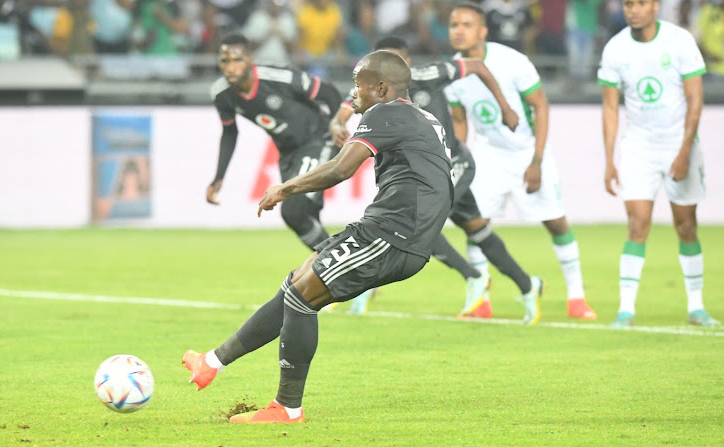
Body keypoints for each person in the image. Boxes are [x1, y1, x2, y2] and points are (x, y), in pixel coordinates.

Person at [184, 49, 461, 423]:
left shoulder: (386, 111)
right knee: (298, 281)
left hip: (394, 233)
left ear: (381, 88)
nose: (353, 93)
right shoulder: (423, 118)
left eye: (359, 85)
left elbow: (340, 168)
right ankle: (212, 362)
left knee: (302, 297)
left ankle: (287, 408)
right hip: (388, 228)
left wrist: (287, 187)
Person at [330, 36, 543, 324]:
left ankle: (474, 277)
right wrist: (336, 124)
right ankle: (529, 286)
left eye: (397, 60)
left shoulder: (427, 75)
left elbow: (477, 66)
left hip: (453, 164)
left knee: (418, 223)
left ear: (408, 62)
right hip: (424, 173)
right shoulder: (371, 89)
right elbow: (343, 111)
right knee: (478, 230)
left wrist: (504, 106)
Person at [445, 1, 597, 320]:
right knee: (475, 224)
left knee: (555, 222)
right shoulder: (453, 71)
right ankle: (481, 301)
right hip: (487, 154)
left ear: (483, 31)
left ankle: (577, 297)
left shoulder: (512, 62)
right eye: (454, 25)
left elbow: (540, 106)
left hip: (527, 150)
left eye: (466, 25)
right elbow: (459, 120)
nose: (458, 31)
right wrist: (456, 156)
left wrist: (537, 160)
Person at [598, 0, 719, 327]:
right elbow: (609, 108)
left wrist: (683, 152)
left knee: (686, 225)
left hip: (678, 143)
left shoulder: (679, 40)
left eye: (640, 3)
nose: (633, 9)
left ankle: (696, 307)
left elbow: (695, 99)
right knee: (637, 223)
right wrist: (609, 159)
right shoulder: (615, 49)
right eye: (628, 3)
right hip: (639, 146)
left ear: (654, 7)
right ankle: (626, 310)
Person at [207, 32, 343, 251]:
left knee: (293, 209)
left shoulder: (278, 77)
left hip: (319, 139)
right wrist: (219, 177)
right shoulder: (221, 94)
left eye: (237, 60)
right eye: (225, 61)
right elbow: (230, 132)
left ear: (250, 59)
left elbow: (329, 92)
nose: (230, 67)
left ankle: (344, 272)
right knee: (301, 217)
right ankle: (343, 270)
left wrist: (338, 127)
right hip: (288, 152)